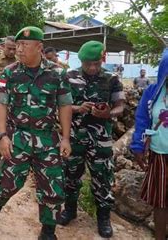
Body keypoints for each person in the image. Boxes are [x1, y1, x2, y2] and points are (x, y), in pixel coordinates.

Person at [0, 26, 73, 240]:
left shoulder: (57, 73)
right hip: (18, 137)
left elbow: (65, 105)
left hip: (47, 139)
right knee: (8, 181)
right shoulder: (10, 72)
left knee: (52, 185)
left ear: (39, 47)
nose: (19, 49)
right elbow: (1, 103)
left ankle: (49, 229)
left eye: (25, 45)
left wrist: (66, 138)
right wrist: (2, 135)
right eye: (18, 45)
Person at [59, 41, 125, 238]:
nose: (93, 68)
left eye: (96, 63)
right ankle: (69, 211)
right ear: (81, 61)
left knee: (103, 177)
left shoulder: (112, 78)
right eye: (89, 64)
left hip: (101, 139)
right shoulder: (69, 77)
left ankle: (103, 218)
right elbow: (59, 105)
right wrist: (78, 108)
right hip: (74, 137)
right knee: (71, 174)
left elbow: (121, 106)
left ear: (102, 60)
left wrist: (108, 114)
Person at [131, 48, 168, 240]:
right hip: (159, 154)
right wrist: (138, 146)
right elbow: (142, 119)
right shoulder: (153, 93)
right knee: (161, 202)